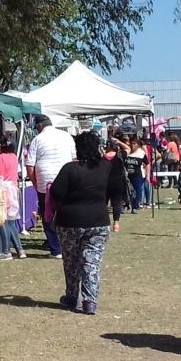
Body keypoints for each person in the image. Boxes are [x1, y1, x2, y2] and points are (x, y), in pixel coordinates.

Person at [49, 132, 112, 315]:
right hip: (99, 220)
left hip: (70, 221)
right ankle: (90, 300)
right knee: (92, 262)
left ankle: (71, 297)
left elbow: (56, 193)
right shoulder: (106, 167)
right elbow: (115, 190)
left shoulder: (70, 169)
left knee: (71, 262)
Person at [25, 114, 76, 258]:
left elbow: (30, 166)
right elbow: (74, 159)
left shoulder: (37, 139)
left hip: (44, 182)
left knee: (47, 213)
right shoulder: (66, 136)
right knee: (66, 213)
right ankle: (67, 244)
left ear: (40, 126)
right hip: (66, 180)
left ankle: (56, 249)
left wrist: (35, 183)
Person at [0, 136, 26, 259]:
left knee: (3, 222)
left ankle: (6, 251)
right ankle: (19, 249)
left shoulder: (0, 158)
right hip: (13, 189)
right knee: (11, 222)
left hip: (3, 190)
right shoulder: (14, 157)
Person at [104, 138, 129, 232]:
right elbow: (128, 149)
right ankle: (116, 224)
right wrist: (119, 141)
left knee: (103, 203)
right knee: (117, 203)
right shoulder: (120, 155)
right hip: (118, 182)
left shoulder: (103, 157)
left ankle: (105, 222)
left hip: (105, 182)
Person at [124, 138, 148, 213]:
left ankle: (135, 206)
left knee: (137, 191)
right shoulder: (127, 152)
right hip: (127, 175)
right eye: (132, 143)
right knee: (126, 190)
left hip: (138, 175)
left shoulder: (141, 153)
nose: (132, 145)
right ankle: (126, 205)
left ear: (138, 145)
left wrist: (147, 175)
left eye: (134, 144)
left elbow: (147, 163)